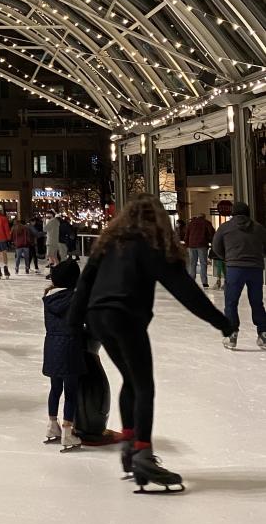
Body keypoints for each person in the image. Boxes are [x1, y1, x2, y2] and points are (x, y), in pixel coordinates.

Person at [69, 194, 233, 491]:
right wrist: (220, 321)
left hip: (97, 317)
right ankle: (142, 451)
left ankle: (131, 443)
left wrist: (71, 325)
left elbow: (84, 285)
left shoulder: (108, 244)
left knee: (131, 380)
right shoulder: (153, 246)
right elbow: (186, 290)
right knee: (144, 385)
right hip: (125, 316)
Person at [42, 259, 84, 451]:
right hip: (70, 346)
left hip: (51, 345)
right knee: (71, 392)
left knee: (55, 388)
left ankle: (52, 426)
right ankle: (68, 432)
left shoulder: (49, 298)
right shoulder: (76, 297)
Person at [212, 202, 266, 351]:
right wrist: (258, 257)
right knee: (256, 302)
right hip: (255, 269)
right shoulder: (259, 228)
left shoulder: (225, 227)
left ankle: (231, 335)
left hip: (234, 268)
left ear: (233, 213)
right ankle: (263, 332)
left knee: (231, 302)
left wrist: (228, 258)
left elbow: (216, 246)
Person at [184, 212, 214, 287]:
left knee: (192, 263)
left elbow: (186, 235)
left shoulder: (191, 223)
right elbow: (211, 233)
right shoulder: (206, 223)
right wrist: (210, 241)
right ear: (204, 217)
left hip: (191, 245)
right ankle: (204, 282)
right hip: (202, 245)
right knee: (203, 263)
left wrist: (187, 244)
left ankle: (192, 280)